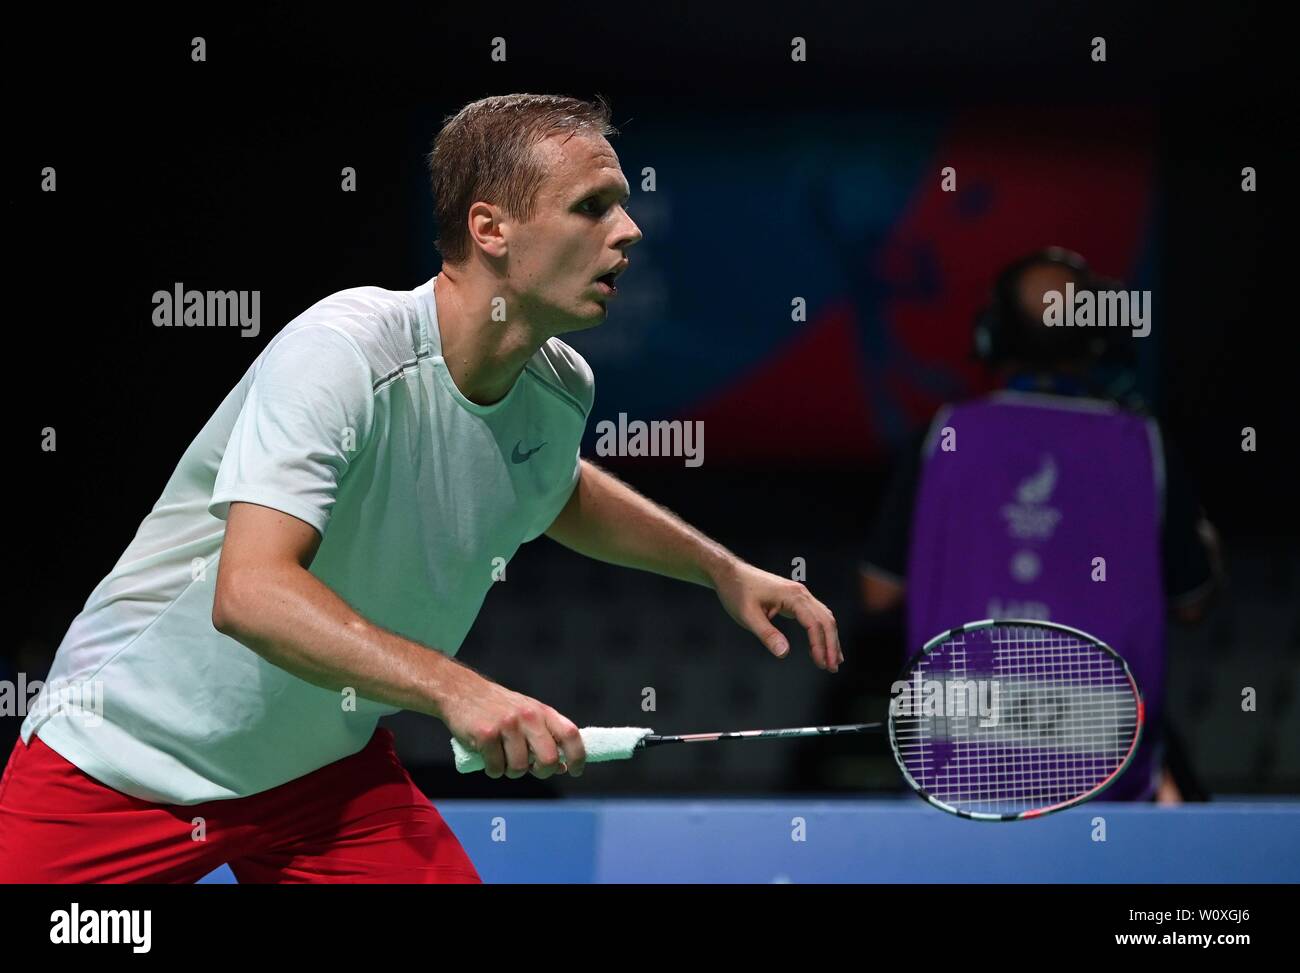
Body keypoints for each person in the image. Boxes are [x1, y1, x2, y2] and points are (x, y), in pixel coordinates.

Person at [0, 94, 841, 883]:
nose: (628, 232)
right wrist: (460, 689)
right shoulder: (343, 353)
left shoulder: (558, 388)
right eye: (592, 206)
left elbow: (554, 487)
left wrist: (722, 571)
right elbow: (250, 592)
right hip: (121, 764)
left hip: (320, 778)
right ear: (491, 228)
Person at [860, 247, 1219, 802]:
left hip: (958, 763)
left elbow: (879, 591)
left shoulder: (942, 436)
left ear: (992, 337)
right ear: (1099, 337)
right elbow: (1193, 602)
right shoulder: (1144, 445)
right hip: (1109, 766)